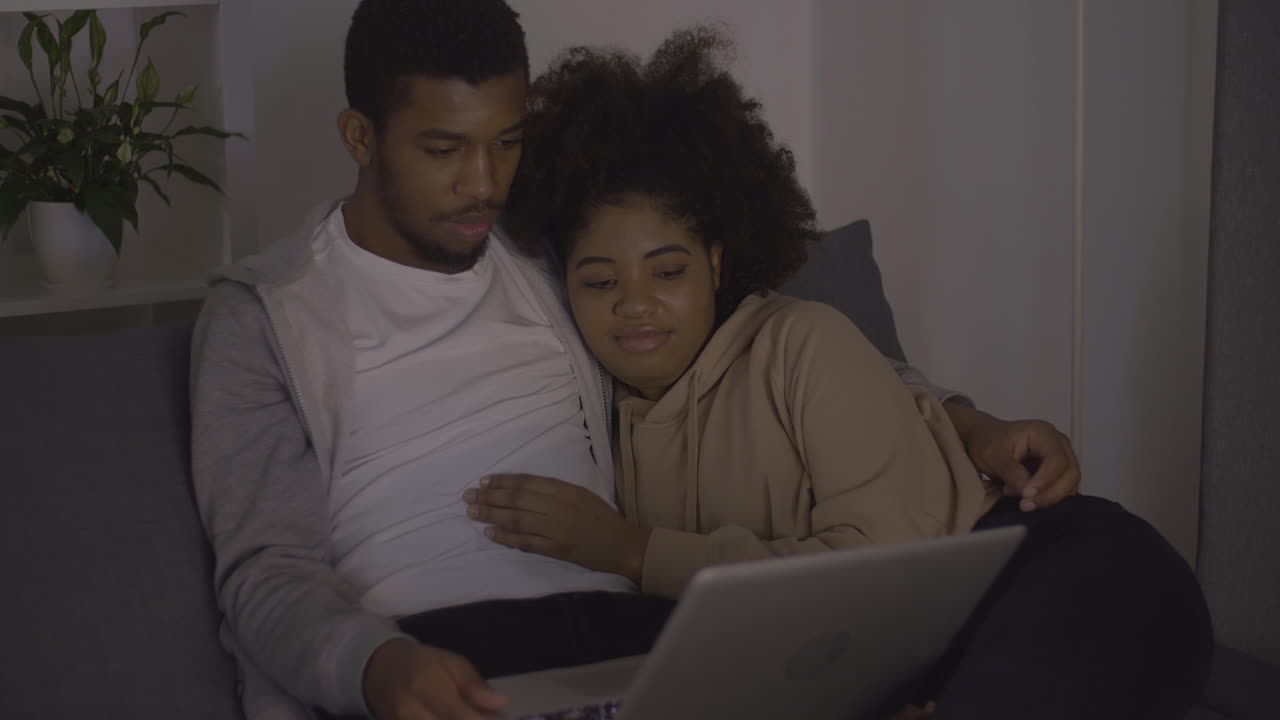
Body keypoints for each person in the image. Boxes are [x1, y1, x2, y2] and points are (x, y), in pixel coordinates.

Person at [192, 2, 1087, 719]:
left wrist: (967, 422)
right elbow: (264, 568)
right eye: (443, 150)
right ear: (360, 137)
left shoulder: (551, 252)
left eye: (507, 141)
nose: (484, 183)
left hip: (649, 631)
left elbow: (744, 340)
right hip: (441, 649)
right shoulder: (266, 314)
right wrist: (378, 665)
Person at [466, 27, 1214, 720]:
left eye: (667, 270)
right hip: (901, 653)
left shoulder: (800, 340)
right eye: (599, 283)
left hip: (1044, 568)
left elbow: (889, 572)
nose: (635, 304)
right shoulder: (605, 417)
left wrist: (631, 549)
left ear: (717, 260)